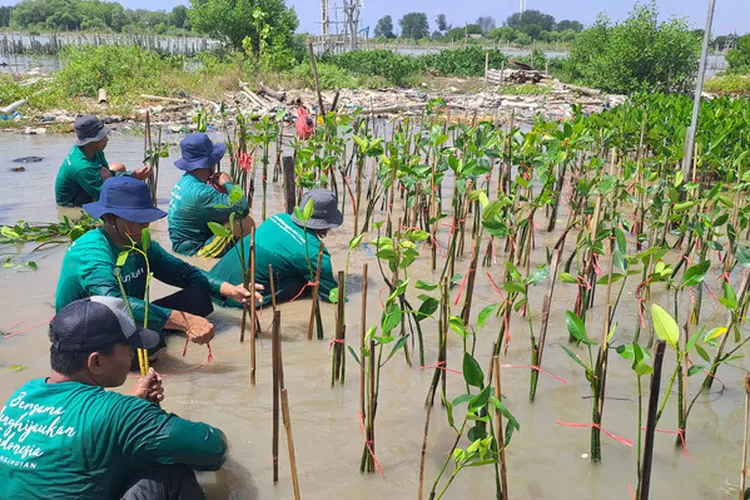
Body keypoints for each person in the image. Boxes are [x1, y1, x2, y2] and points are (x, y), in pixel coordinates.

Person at [0, 296, 227, 499]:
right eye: (128, 348)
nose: (133, 355)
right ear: (96, 362)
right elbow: (212, 447)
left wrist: (133, 405)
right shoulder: (122, 414)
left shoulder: (23, 394)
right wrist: (143, 416)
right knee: (170, 469)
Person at [55, 176, 263, 357]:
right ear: (109, 218)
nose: (144, 226)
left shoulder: (138, 241)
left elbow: (183, 272)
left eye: (146, 219)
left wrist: (231, 289)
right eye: (137, 220)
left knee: (199, 298)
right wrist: (185, 322)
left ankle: (158, 332)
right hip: (87, 332)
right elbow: (113, 303)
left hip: (125, 316)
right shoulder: (93, 252)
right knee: (151, 344)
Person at [209, 189, 343, 307]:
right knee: (306, 284)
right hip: (238, 299)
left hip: (211, 284)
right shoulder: (315, 252)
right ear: (327, 223)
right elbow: (332, 296)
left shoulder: (278, 217)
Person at [168, 132, 254, 258]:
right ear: (210, 162)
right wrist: (228, 184)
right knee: (244, 222)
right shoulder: (201, 192)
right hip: (195, 251)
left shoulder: (185, 181)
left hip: (180, 246)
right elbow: (242, 208)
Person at [55, 114, 150, 207]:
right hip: (72, 202)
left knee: (119, 167)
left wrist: (132, 175)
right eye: (102, 137)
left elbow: (108, 172)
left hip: (85, 185)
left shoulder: (92, 150)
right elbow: (103, 195)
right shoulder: (82, 166)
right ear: (91, 141)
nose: (107, 139)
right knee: (117, 197)